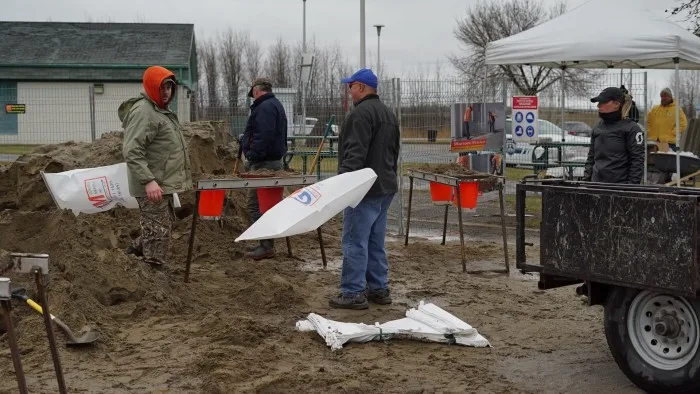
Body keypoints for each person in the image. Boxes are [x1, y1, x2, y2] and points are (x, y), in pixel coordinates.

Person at [330, 68, 400, 310]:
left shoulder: (360, 114)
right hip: (385, 185)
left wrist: (344, 184)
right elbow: (393, 153)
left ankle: (352, 292)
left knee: (354, 241)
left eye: (351, 86)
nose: (349, 91)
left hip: (363, 189)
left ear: (360, 87)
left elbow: (355, 153)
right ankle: (379, 288)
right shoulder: (388, 114)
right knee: (375, 240)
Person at [121, 66, 192, 266]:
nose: (167, 92)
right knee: (157, 233)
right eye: (162, 88)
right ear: (152, 87)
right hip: (152, 186)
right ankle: (153, 278)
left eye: (169, 87)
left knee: (161, 226)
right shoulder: (144, 112)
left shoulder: (160, 111)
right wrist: (148, 181)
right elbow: (132, 150)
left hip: (162, 184)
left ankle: (131, 255)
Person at [241, 77, 288, 260]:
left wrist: (252, 154)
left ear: (256, 90)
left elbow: (263, 135)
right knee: (265, 205)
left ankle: (266, 246)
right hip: (270, 161)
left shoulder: (265, 108)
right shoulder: (273, 105)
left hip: (264, 164)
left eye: (252, 93)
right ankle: (265, 243)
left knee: (256, 205)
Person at [584, 87, 645, 184]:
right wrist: (586, 182)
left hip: (619, 188)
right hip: (595, 185)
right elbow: (591, 157)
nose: (598, 106)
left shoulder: (631, 128)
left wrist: (630, 189)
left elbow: (637, 161)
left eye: (603, 102)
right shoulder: (597, 127)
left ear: (617, 104)